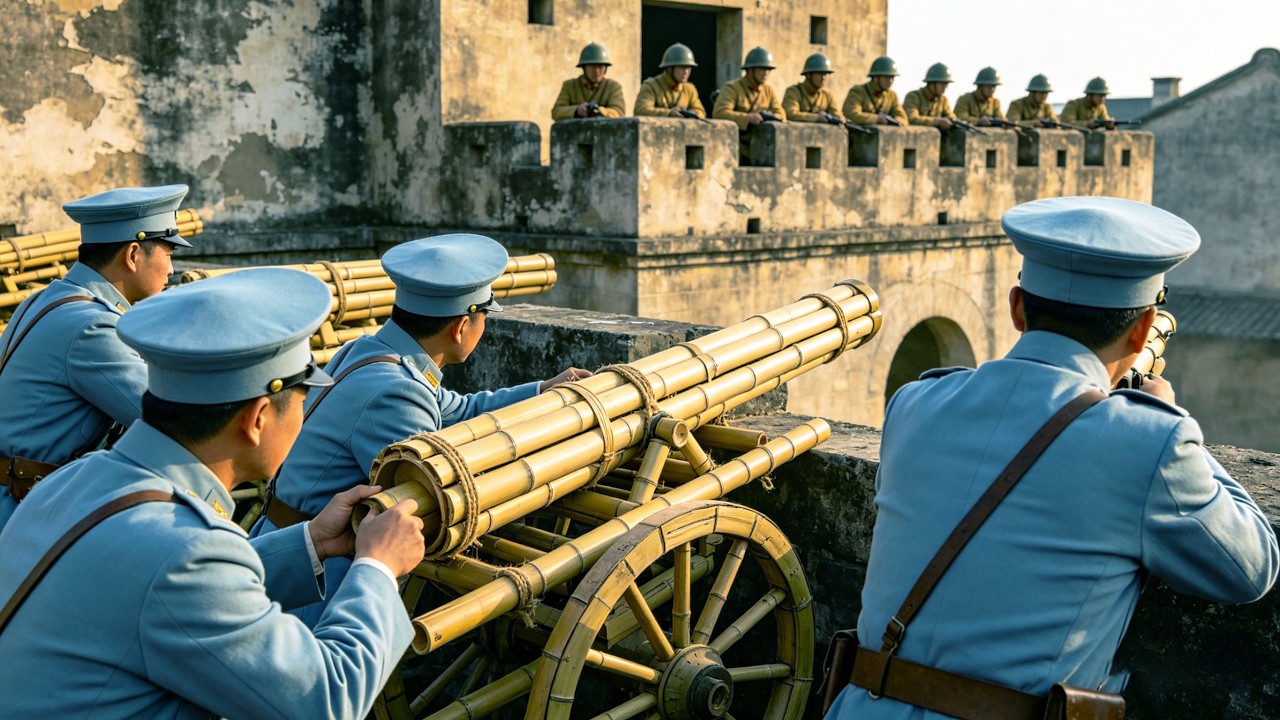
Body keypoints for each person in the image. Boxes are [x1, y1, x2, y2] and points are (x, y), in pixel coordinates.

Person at [824, 197, 1279, 720]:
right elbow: (1252, 568)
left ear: (1017, 307)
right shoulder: (1150, 440)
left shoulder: (914, 403)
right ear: (1143, 328)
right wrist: (1169, 420)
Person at [0, 268, 428, 718]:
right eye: (303, 400)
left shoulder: (76, 478)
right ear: (257, 419)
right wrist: (378, 566)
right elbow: (327, 701)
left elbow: (163, 593)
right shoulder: (186, 553)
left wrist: (312, 542)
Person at [254, 233, 589, 625]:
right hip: (315, 582)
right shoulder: (396, 391)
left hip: (281, 542)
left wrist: (541, 391)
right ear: (461, 326)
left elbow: (456, 410)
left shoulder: (370, 353)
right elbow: (432, 486)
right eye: (484, 316)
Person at [0, 184, 195, 530]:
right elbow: (174, 422)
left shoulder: (47, 299)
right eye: (168, 253)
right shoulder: (90, 326)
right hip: (22, 517)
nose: (171, 269)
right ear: (133, 255)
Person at [713, 47, 787, 163]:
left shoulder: (768, 90)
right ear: (750, 70)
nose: (766, 73)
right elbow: (719, 113)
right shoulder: (732, 88)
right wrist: (748, 118)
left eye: (769, 69)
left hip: (761, 147)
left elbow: (781, 115)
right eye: (762, 69)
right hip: (735, 147)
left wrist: (770, 117)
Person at [551, 42, 625, 121]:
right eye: (592, 66)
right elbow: (556, 112)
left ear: (605, 68)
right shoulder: (570, 86)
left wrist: (598, 111)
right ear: (584, 67)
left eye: (600, 66)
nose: (597, 70)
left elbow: (618, 112)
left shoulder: (613, 87)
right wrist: (577, 110)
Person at [633, 42, 706, 118]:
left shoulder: (689, 89)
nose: (686, 72)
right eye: (682, 68)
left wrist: (691, 114)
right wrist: (668, 113)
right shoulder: (651, 86)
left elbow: (701, 112)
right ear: (670, 68)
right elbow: (640, 110)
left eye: (689, 68)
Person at [842, 56, 909, 126]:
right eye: (887, 77)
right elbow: (851, 114)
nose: (890, 81)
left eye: (892, 77)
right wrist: (876, 119)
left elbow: (903, 118)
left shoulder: (892, 96)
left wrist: (894, 121)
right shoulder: (858, 92)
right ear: (876, 77)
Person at [781, 53, 845, 124]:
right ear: (809, 75)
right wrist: (816, 118)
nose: (823, 78)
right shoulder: (794, 92)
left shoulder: (827, 94)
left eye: (825, 74)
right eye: (819, 74)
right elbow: (790, 114)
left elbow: (836, 113)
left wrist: (842, 120)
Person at [904, 63, 956, 129]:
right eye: (942, 84)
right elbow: (912, 118)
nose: (945, 88)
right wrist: (937, 121)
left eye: (946, 85)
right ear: (932, 83)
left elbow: (952, 117)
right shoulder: (913, 97)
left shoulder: (943, 100)